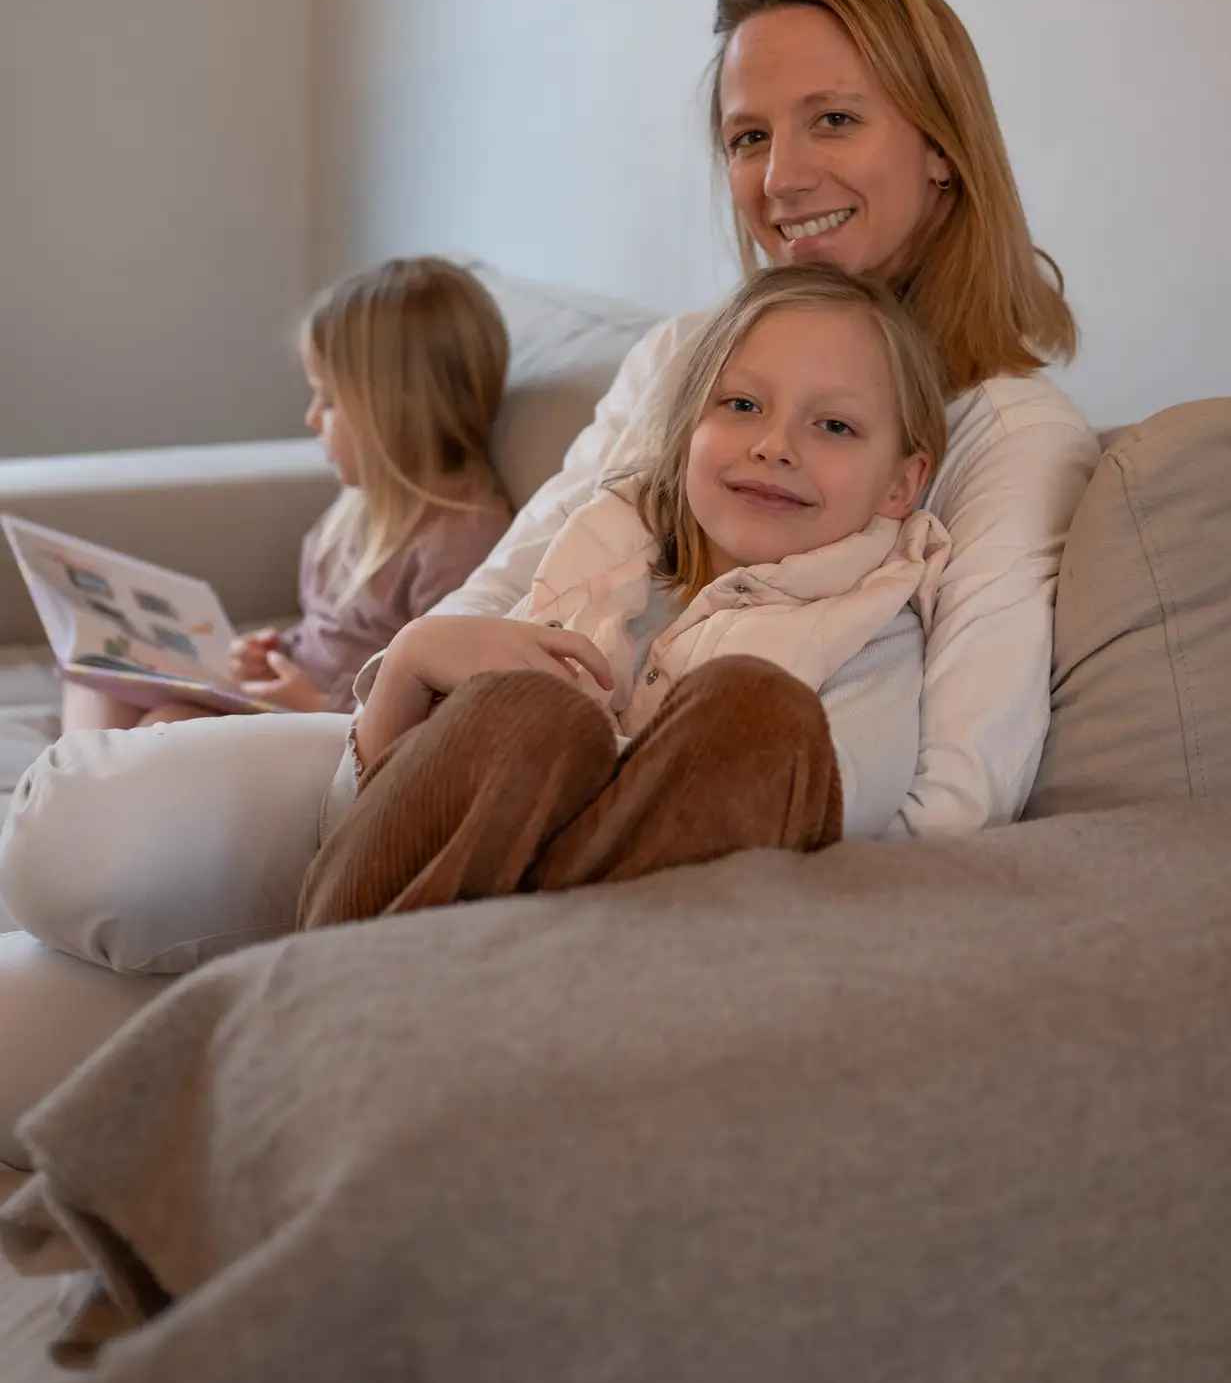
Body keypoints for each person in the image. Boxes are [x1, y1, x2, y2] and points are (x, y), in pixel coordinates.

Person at [0, 0, 1098, 1164]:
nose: (781, 174)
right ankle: (323, 1027)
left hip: (663, 870)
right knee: (58, 854)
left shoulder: (1003, 428)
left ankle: (321, 1052)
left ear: (940, 145)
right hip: (466, 770)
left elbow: (954, 807)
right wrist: (408, 682)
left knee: (60, 933)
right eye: (745, 137)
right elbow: (499, 590)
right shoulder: (687, 353)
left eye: (831, 119)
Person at [297, 263, 952, 929]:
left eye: (835, 426)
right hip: (389, 928)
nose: (775, 446)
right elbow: (342, 826)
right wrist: (412, 658)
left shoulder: (873, 632)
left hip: (651, 951)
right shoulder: (598, 568)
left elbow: (834, 831)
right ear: (685, 429)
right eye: (743, 406)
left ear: (903, 483)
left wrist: (603, 755)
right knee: (531, 710)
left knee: (754, 710)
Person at [59, 256, 513, 736]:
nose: (312, 418)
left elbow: (437, 713)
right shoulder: (365, 504)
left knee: (167, 725)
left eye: (330, 401)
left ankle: (83, 794)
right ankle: (69, 795)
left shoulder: (461, 540)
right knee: (99, 677)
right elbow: (329, 635)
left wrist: (317, 704)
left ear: (398, 410)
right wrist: (278, 650)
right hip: (292, 703)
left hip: (335, 733)